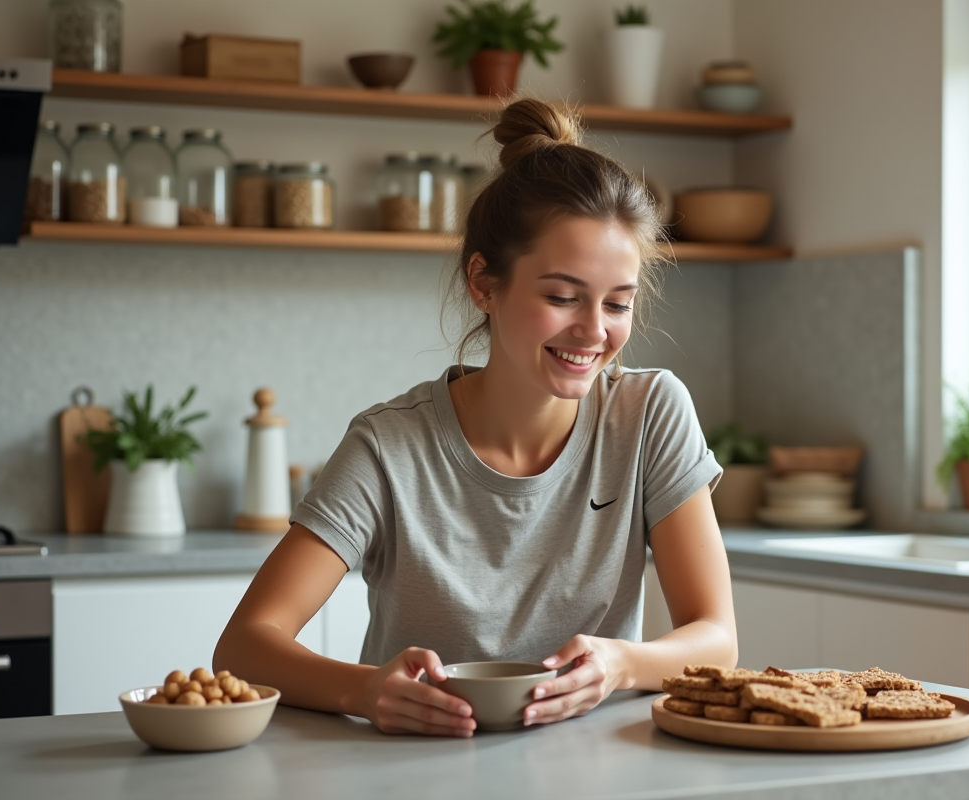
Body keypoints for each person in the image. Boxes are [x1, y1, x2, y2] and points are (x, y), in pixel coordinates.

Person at [214, 97, 738, 737]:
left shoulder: (649, 414)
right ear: (484, 285)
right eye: (562, 297)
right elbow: (245, 644)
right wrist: (365, 689)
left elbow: (716, 639)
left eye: (618, 304)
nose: (595, 332)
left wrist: (620, 663)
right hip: (414, 772)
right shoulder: (389, 446)